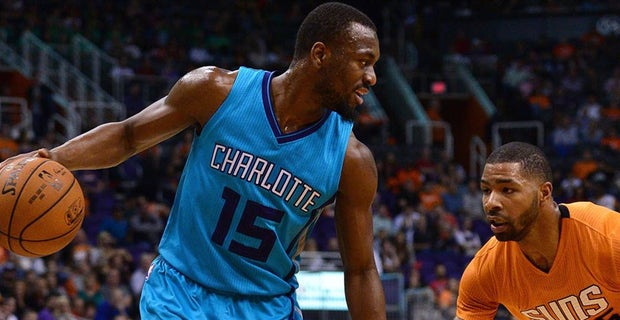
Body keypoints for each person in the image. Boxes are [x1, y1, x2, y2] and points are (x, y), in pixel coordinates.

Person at [0, 2, 386, 319]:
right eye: (363, 61)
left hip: (266, 307)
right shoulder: (215, 91)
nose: (370, 78)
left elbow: (362, 270)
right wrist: (55, 157)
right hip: (179, 293)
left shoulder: (352, 160)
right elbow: (127, 135)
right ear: (321, 54)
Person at [454, 141, 620, 320]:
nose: (490, 203)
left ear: (544, 193)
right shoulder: (486, 272)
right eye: (486, 190)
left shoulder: (608, 238)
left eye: (507, 190)